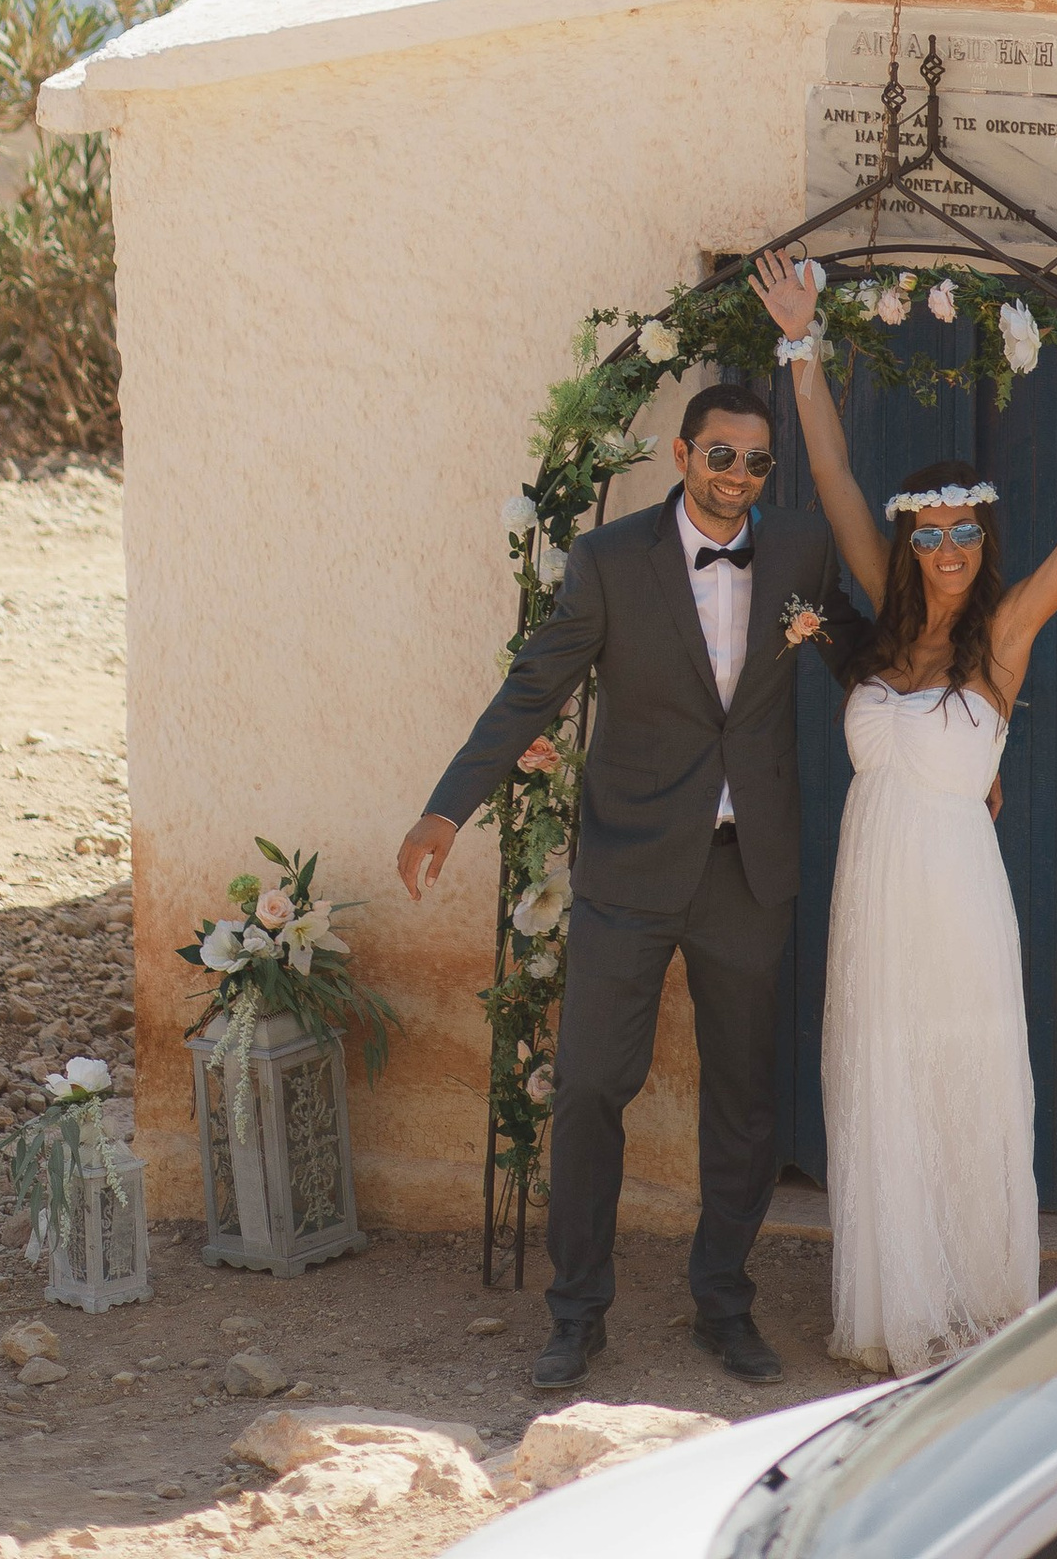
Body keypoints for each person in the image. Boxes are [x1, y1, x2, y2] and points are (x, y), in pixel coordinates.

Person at [749, 247, 1057, 1376]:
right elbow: (835, 481)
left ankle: (974, 1295)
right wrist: (802, 346)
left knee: (959, 1073)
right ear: (911, 539)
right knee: (881, 1075)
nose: (951, 550)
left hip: (957, 891)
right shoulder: (876, 614)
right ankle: (897, 1301)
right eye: (934, 532)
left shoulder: (1001, 636)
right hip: (873, 888)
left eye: (968, 532)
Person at [396, 373, 861, 1393]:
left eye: (756, 461)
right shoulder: (610, 562)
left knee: (744, 1101)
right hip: (632, 865)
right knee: (591, 1087)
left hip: (750, 872)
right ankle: (576, 1313)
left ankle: (724, 1305)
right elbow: (536, 683)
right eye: (721, 454)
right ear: (683, 455)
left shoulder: (797, 552)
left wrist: (956, 729)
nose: (738, 475)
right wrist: (446, 808)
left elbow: (861, 658)